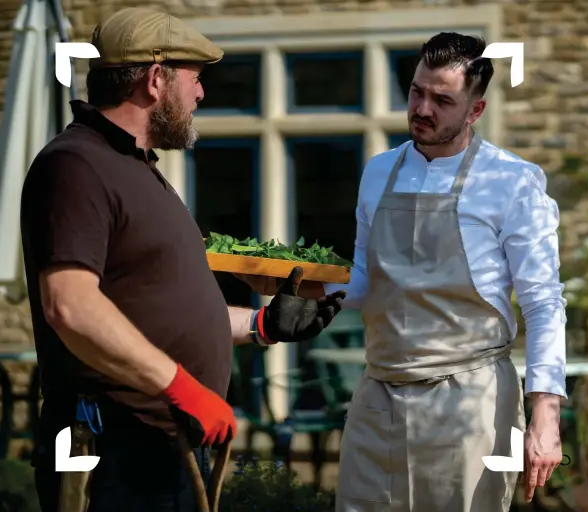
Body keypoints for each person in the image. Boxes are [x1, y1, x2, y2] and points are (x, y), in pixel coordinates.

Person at [19, 7, 346, 512]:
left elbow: (155, 310)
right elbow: (70, 305)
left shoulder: (140, 171)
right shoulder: (76, 165)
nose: (200, 95)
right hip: (111, 450)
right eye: (194, 80)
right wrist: (181, 387)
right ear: (155, 80)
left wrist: (261, 324)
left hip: (158, 449)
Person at [240, 32, 567, 511]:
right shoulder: (378, 171)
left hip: (469, 400)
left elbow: (544, 303)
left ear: (474, 111)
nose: (423, 108)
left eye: (442, 100)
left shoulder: (512, 182)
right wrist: (288, 285)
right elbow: (369, 281)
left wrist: (545, 415)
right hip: (378, 395)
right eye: (417, 92)